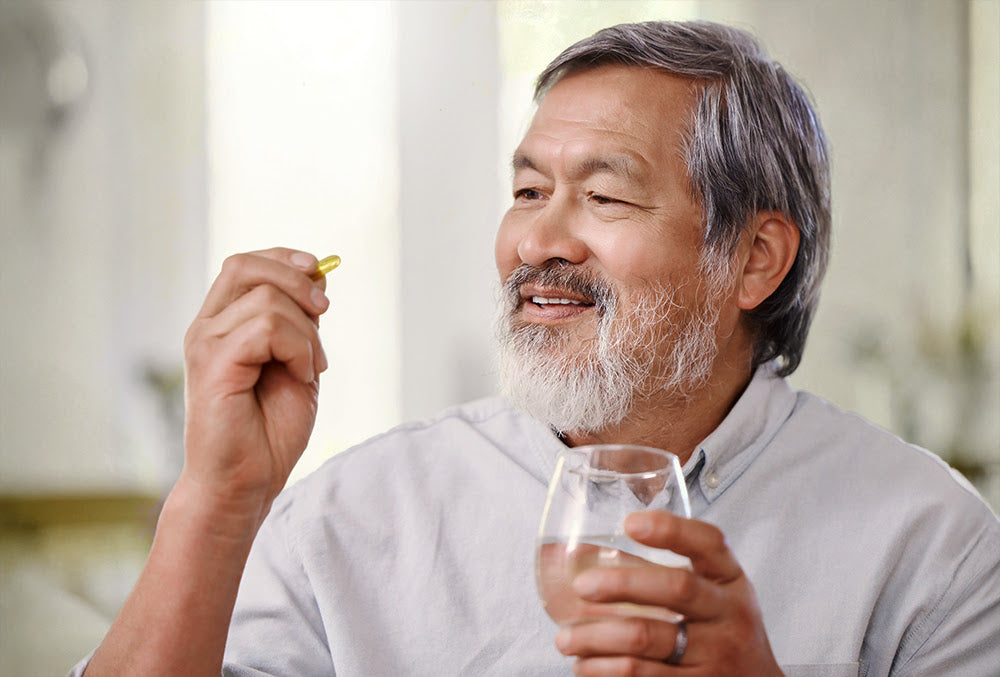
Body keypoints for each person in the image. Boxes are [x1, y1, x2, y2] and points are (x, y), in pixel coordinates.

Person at [73, 20, 999, 677]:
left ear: (753, 259)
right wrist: (217, 498)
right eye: (526, 192)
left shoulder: (932, 542)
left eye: (603, 196)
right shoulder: (349, 521)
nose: (536, 242)